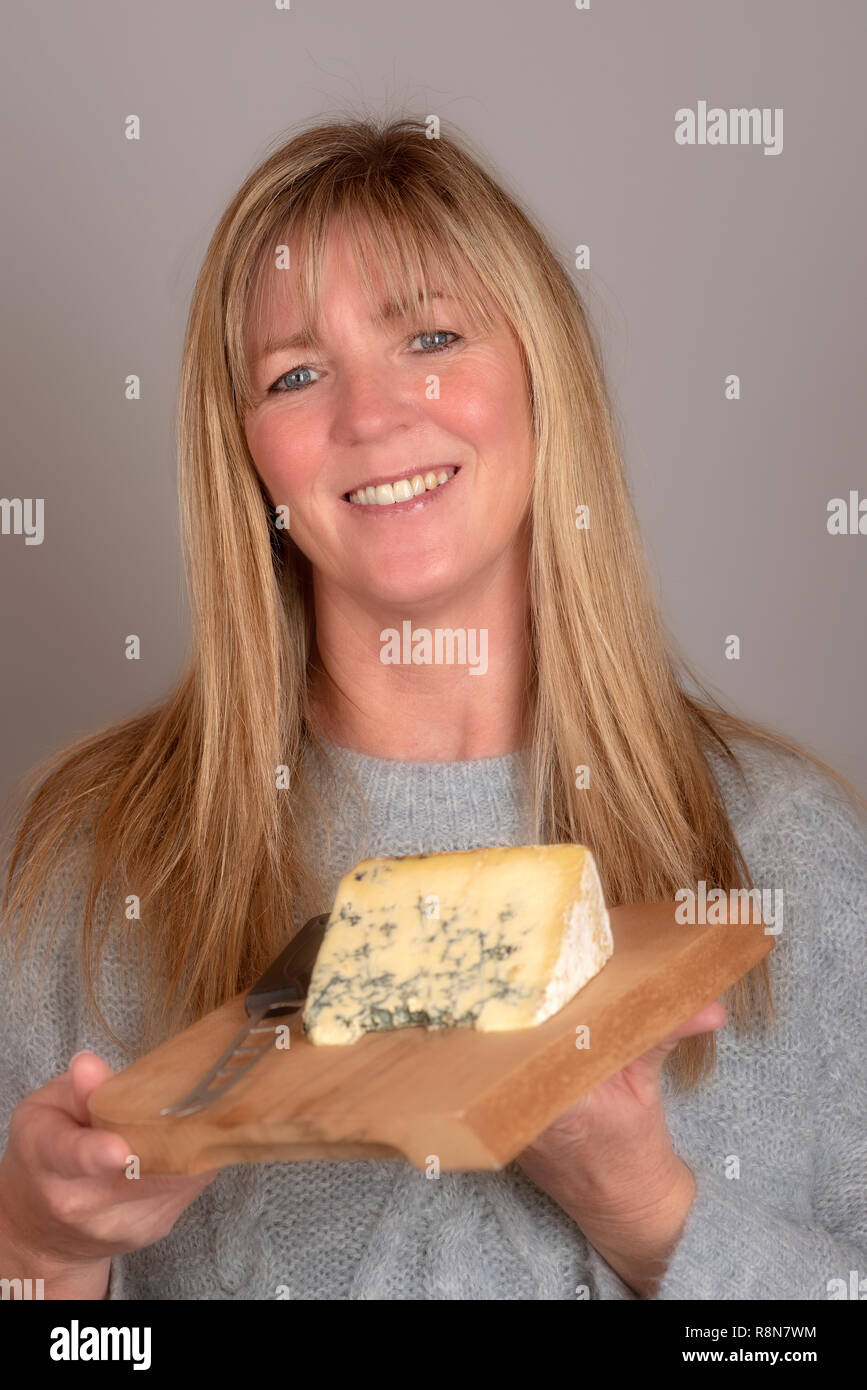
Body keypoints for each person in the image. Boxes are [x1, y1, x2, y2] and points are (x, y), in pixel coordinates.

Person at [1, 116, 864, 1301]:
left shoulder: (787, 848)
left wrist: (645, 1211)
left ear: (539, 377)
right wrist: (43, 1257)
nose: (370, 414)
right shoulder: (101, 858)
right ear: (248, 455)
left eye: (431, 337)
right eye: (296, 374)